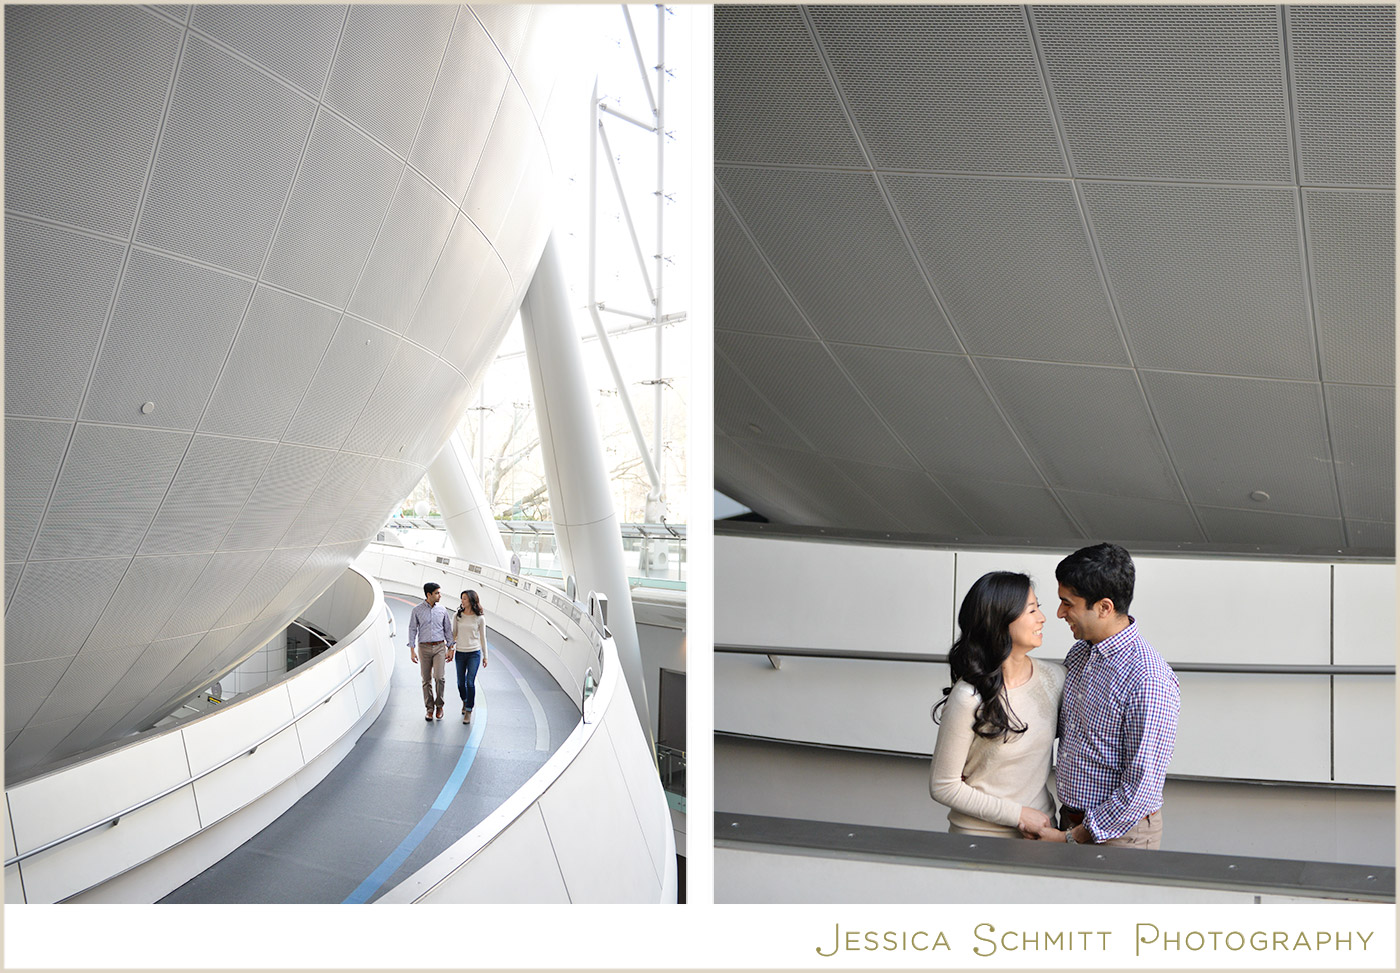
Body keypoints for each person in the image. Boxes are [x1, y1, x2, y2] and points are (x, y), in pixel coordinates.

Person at [1037, 543, 1179, 850]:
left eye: (1067, 603)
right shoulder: (1080, 653)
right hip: (1070, 821)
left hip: (1121, 835)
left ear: (1104, 607)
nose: (1059, 613)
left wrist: (1074, 836)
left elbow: (1142, 787)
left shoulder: (1148, 678)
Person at [930, 571, 1065, 838]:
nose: (1042, 618)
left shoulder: (1056, 677)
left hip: (1042, 834)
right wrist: (1018, 815)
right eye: (1031, 610)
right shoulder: (969, 696)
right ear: (1001, 620)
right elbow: (943, 785)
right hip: (980, 837)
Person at [408, 581, 455, 722]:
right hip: (424, 648)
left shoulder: (442, 610)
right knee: (426, 679)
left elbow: (448, 630)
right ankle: (429, 709)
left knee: (439, 677)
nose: (440, 595)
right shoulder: (417, 610)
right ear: (429, 595)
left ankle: (439, 706)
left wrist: (451, 648)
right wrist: (412, 650)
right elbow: (412, 629)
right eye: (437, 593)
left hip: (440, 647)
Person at [452, 589, 489, 724]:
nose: (462, 601)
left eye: (465, 598)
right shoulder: (457, 616)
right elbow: (453, 634)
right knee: (460, 683)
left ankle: (468, 710)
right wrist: (450, 649)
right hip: (460, 652)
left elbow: (483, 638)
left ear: (472, 600)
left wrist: (485, 656)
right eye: (462, 598)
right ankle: (465, 700)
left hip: (474, 653)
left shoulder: (480, 618)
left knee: (470, 682)